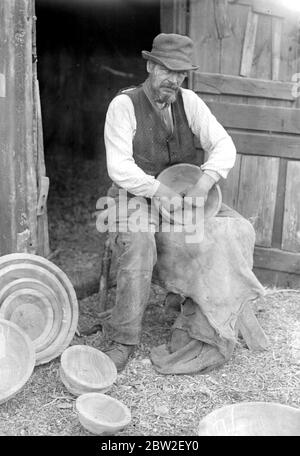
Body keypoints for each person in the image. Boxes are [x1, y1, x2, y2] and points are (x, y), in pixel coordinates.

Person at [101, 33, 240, 372]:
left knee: (232, 230)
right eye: (167, 70)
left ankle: (201, 321)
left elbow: (224, 145)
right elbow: (119, 167)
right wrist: (158, 191)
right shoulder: (124, 105)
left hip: (181, 195)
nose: (174, 80)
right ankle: (124, 339)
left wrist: (204, 183)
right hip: (135, 194)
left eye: (181, 73)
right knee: (140, 240)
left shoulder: (189, 101)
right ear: (150, 65)